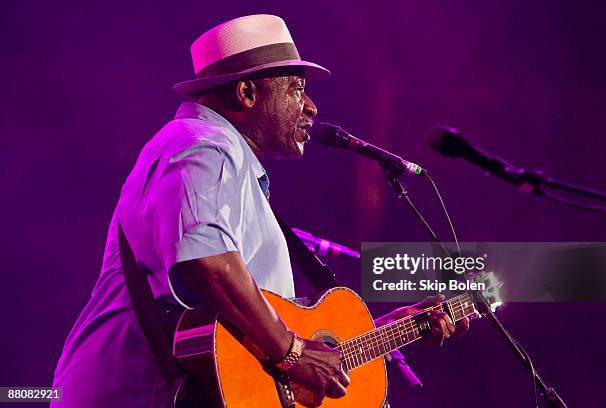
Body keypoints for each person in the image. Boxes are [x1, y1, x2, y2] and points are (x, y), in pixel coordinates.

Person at [51, 14, 468, 407]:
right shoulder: (204, 144)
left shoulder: (224, 161)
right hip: (140, 392)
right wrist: (293, 352)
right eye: (296, 89)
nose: (311, 107)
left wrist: (382, 333)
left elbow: (246, 336)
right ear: (247, 93)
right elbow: (208, 262)